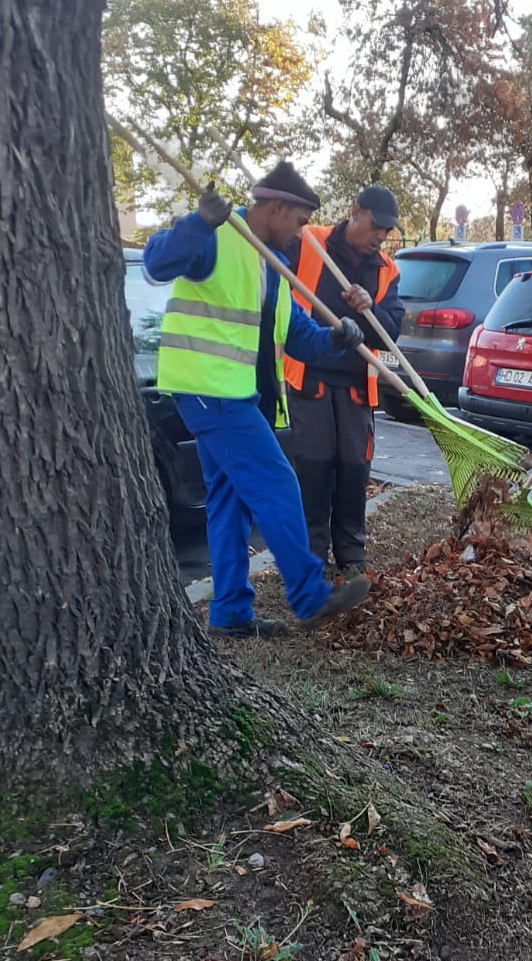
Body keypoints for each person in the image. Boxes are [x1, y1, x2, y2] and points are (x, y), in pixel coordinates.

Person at [142, 161, 369, 638]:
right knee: (278, 483)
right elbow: (156, 262)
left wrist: (337, 338)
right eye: (300, 220)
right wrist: (198, 221)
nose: (303, 232)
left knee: (229, 501)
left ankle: (229, 613)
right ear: (276, 207)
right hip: (206, 390)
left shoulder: (272, 266)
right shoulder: (217, 237)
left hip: (231, 394)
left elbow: (299, 335)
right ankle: (309, 595)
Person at [284, 186, 403, 576]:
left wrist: (370, 310)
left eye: (386, 231)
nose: (380, 237)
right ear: (355, 211)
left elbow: (391, 332)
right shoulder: (308, 243)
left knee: (354, 470)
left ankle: (351, 553)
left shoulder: (386, 270)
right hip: (310, 375)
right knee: (314, 469)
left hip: (356, 384)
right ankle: (312, 556)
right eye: (376, 226)